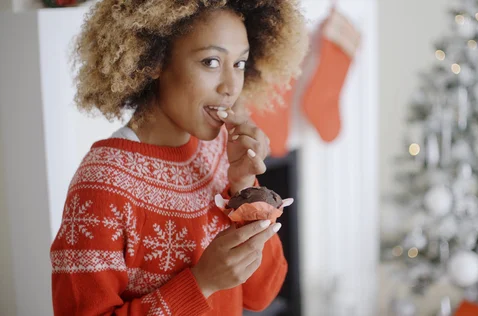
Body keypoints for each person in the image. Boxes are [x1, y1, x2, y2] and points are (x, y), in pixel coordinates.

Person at [49, 0, 308, 314]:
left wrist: (243, 187)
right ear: (154, 60)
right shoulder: (102, 183)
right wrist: (202, 284)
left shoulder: (222, 152)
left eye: (239, 63)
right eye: (211, 62)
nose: (230, 87)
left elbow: (262, 293)